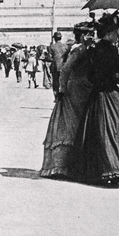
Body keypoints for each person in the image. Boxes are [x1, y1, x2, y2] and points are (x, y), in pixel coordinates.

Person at [71, 12, 119, 185]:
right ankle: (114, 171)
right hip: (110, 95)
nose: (118, 35)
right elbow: (113, 76)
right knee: (113, 133)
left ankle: (108, 172)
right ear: (109, 33)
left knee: (101, 132)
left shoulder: (96, 49)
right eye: (116, 32)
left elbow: (92, 75)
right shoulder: (109, 49)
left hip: (98, 95)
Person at [41, 21, 95, 178]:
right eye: (89, 34)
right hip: (74, 91)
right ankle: (62, 166)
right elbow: (65, 70)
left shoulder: (89, 49)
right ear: (83, 36)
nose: (92, 37)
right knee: (70, 125)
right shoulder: (77, 50)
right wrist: (62, 90)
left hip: (87, 90)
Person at [49, 32, 66, 99]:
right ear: (61, 38)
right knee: (63, 81)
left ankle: (56, 97)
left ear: (55, 38)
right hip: (64, 66)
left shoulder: (52, 46)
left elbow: (50, 57)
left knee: (55, 82)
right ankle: (62, 96)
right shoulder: (65, 46)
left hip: (55, 67)